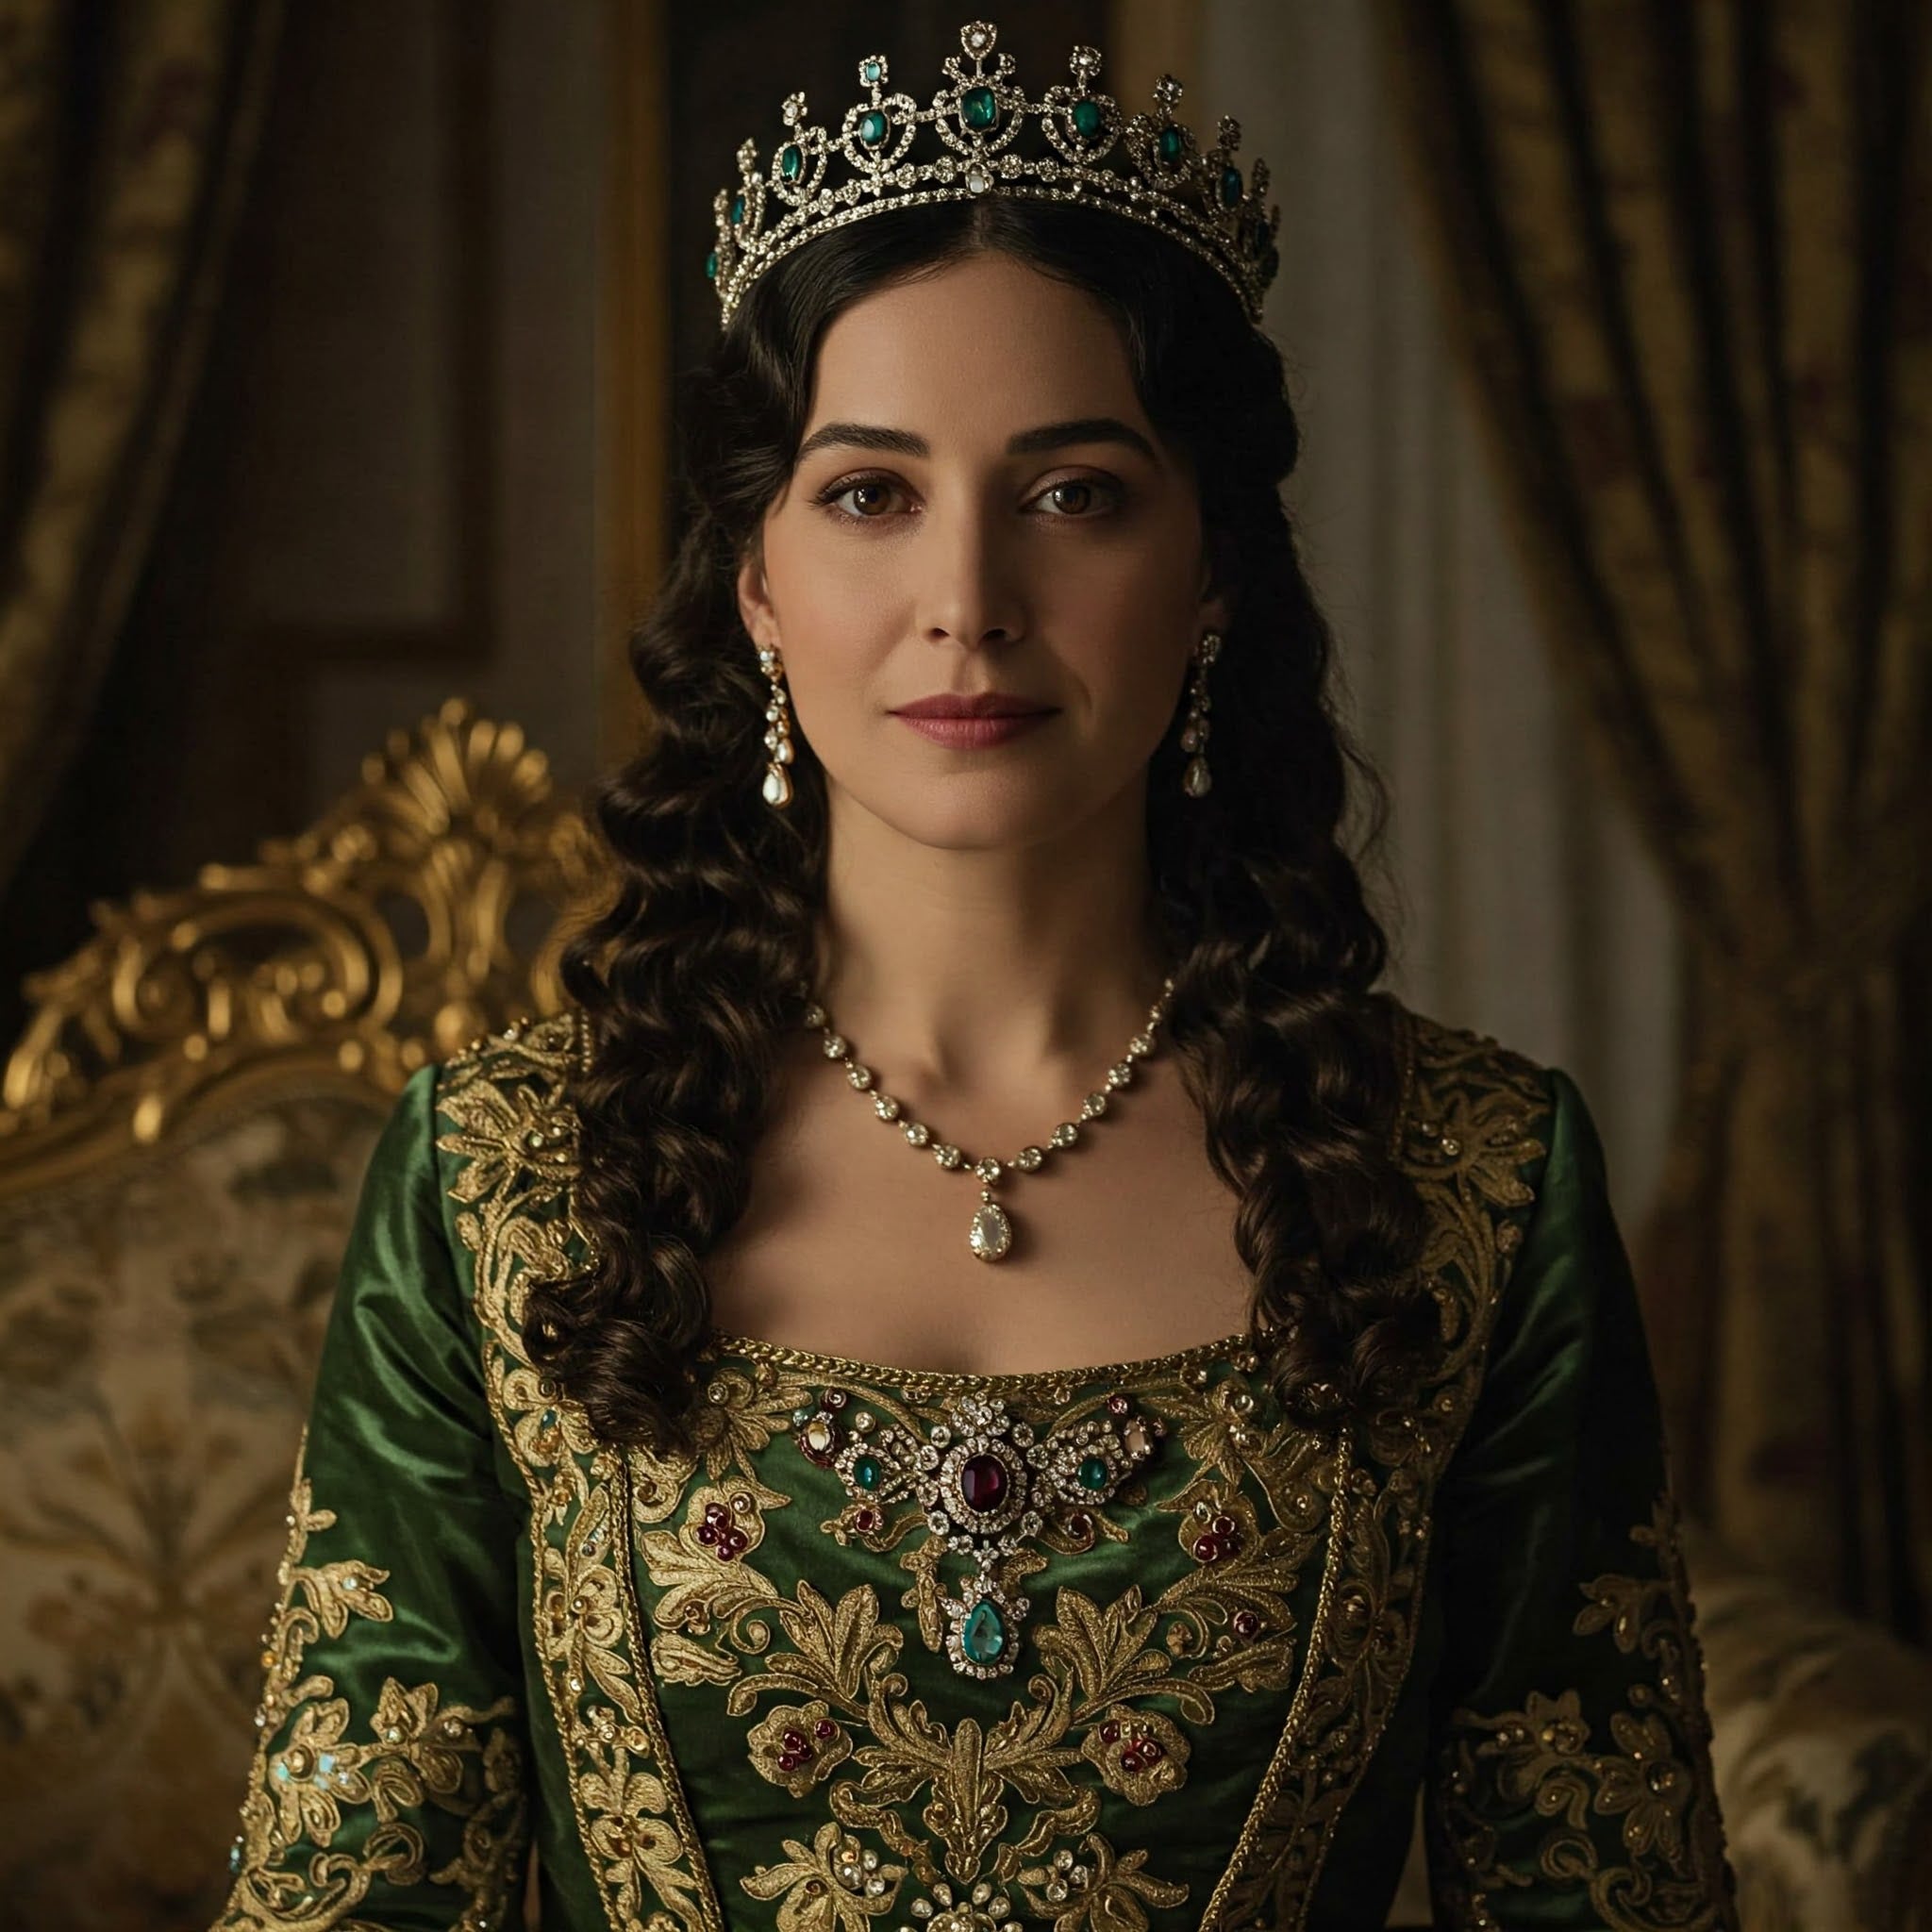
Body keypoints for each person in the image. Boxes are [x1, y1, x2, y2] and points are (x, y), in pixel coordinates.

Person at [210, 22, 1739, 1931]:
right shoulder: (501, 1180)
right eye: (869, 493)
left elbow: (1610, 1888)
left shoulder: (1472, 1182)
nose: (968, 599)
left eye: (1073, 491)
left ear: (1210, 579)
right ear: (755, 580)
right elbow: (350, 1893)